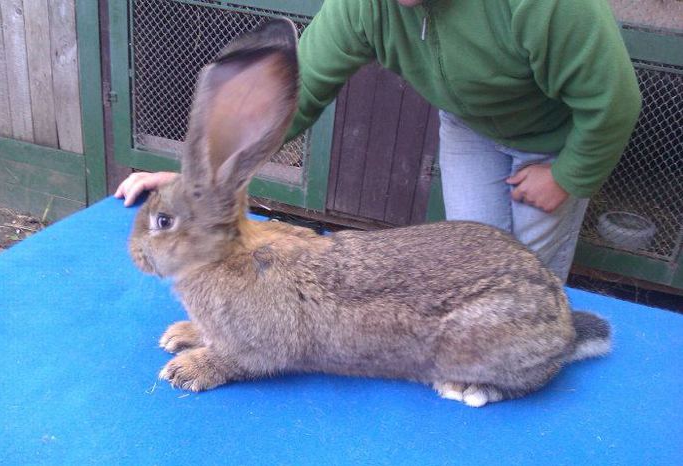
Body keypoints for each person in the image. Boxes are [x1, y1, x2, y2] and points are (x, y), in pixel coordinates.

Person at [116, 0, 642, 282]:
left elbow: (614, 102)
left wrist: (568, 176)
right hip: (472, 125)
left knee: (531, 266)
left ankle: (528, 378)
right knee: (476, 255)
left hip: (558, 137)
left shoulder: (544, 6)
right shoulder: (365, 6)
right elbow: (296, 96)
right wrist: (194, 187)